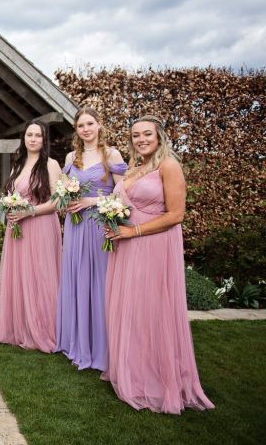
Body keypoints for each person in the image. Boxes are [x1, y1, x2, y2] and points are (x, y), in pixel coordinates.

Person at [102, 115, 214, 413]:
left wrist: (133, 230)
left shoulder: (169, 166)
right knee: (130, 309)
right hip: (125, 248)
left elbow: (175, 215)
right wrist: (112, 223)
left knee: (152, 309)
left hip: (152, 248)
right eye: (136, 135)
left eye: (147, 134)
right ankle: (133, 371)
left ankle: (156, 378)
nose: (141, 139)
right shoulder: (134, 168)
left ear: (159, 136)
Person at [54, 108, 127, 370]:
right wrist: (65, 202)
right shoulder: (72, 156)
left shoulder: (112, 154)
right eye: (80, 125)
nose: (85, 129)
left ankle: (102, 346)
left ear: (99, 125)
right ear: (76, 129)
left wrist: (91, 201)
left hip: (98, 225)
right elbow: (63, 189)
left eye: (90, 123)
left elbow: (124, 195)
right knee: (76, 279)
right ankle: (77, 341)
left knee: (100, 281)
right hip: (75, 226)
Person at [0, 119, 62, 352]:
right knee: (20, 276)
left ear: (44, 139)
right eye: (29, 135)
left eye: (37, 136)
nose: (32, 139)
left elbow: (57, 202)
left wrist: (27, 211)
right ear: (24, 138)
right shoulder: (18, 165)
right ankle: (19, 327)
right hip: (17, 229)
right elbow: (11, 194)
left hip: (40, 225)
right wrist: (11, 209)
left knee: (40, 276)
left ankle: (42, 330)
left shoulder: (50, 164)